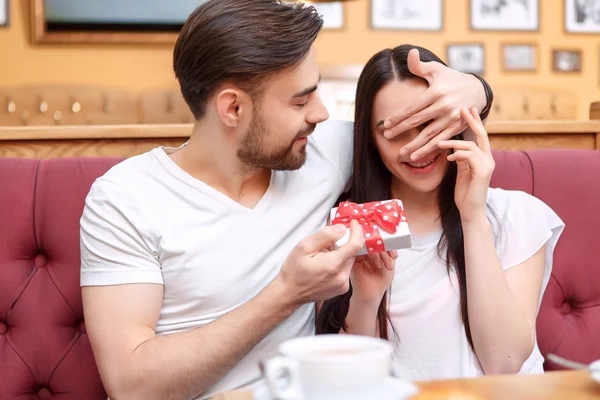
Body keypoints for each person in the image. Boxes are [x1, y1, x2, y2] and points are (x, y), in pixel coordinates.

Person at [79, 2, 493, 399]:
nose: (321, 113)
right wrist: (287, 294)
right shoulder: (125, 199)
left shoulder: (321, 151)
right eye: (300, 99)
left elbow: (407, 135)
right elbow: (131, 385)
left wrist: (476, 88)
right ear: (233, 107)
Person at [316, 45, 565, 380]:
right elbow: (351, 380)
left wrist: (473, 214)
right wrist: (365, 299)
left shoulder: (516, 214)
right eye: (393, 131)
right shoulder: (347, 229)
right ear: (370, 139)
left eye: (431, 124)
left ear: (459, 121)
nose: (418, 147)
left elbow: (504, 363)